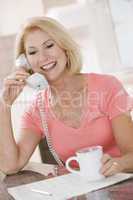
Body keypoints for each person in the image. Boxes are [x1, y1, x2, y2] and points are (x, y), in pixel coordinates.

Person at [0, 16, 133, 177]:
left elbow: (131, 154)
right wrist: (4, 105)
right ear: (25, 62)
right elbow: (10, 166)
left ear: (64, 46)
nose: (42, 57)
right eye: (33, 52)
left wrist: (119, 164)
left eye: (49, 46)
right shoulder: (36, 110)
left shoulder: (107, 86)